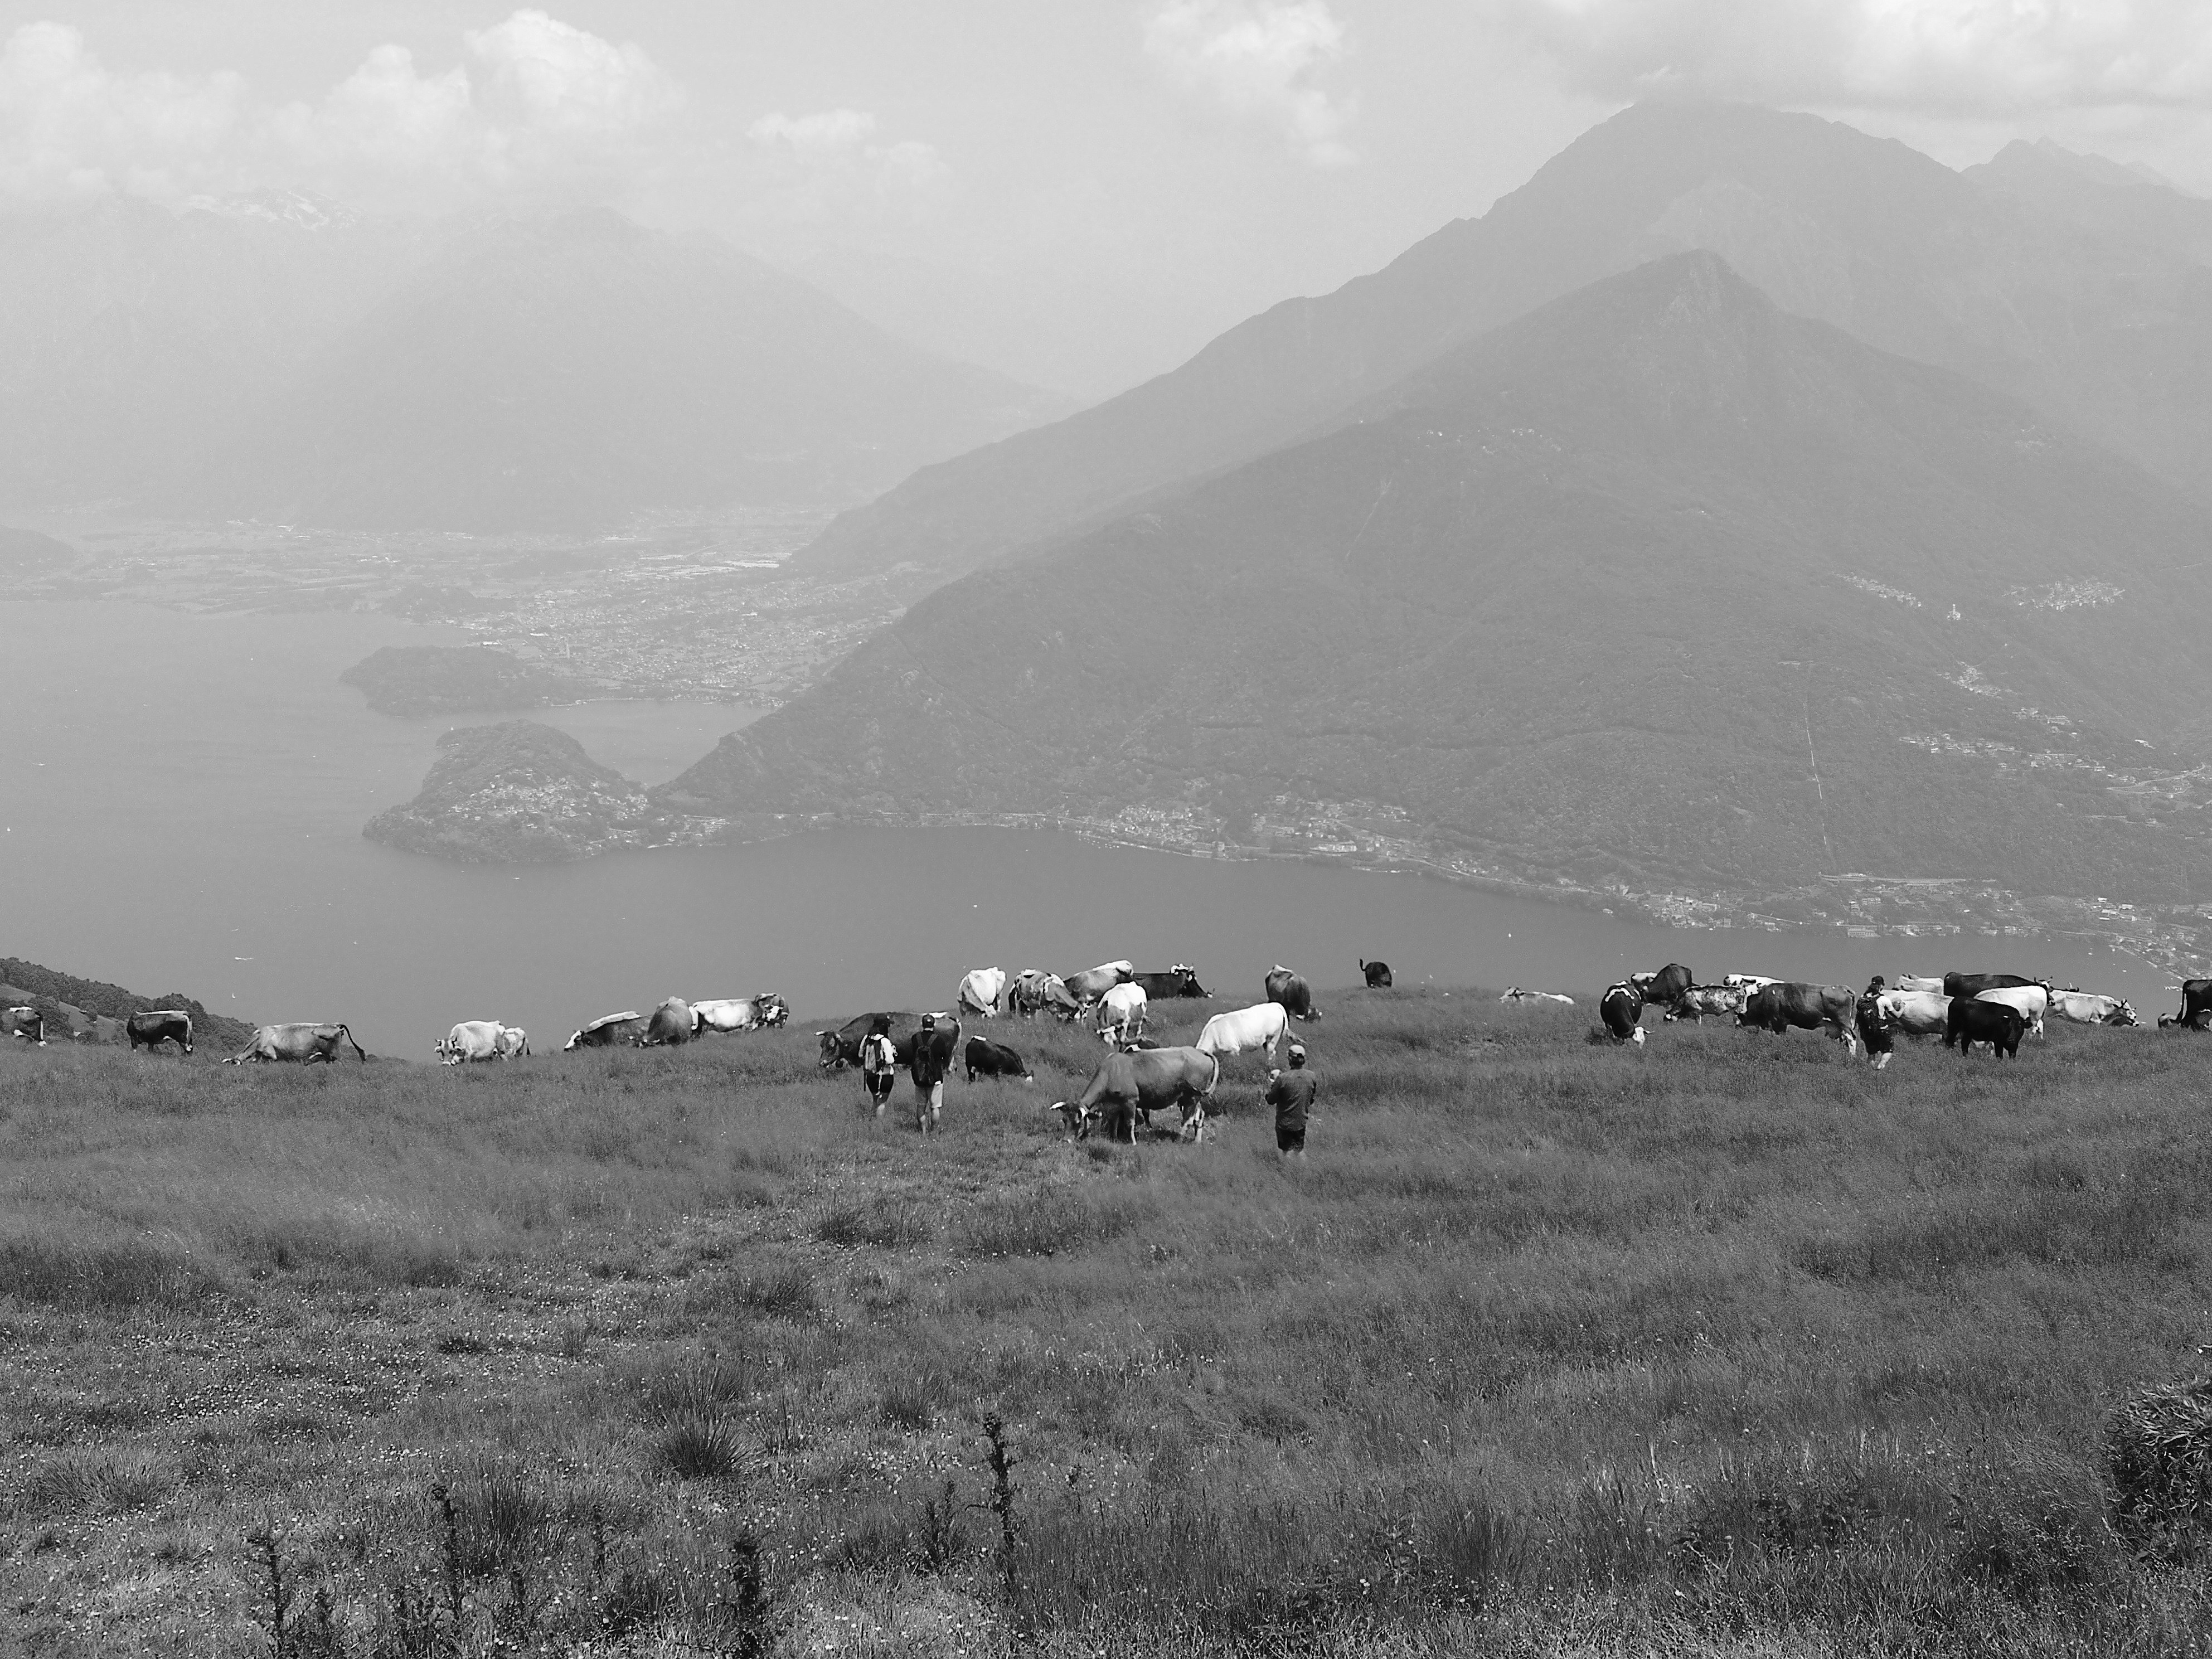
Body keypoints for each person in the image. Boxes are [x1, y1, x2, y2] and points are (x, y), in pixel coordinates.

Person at [1265, 1041, 1317, 1162]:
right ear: (1304, 1059)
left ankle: (1286, 1174)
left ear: (1290, 1059)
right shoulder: (1312, 1076)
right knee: (1299, 1151)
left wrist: (1272, 1087)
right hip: (1301, 1122)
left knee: (1285, 1152)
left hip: (1285, 1123)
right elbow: (1311, 1099)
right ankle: (1305, 1171)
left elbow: (1270, 1101)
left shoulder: (1282, 1079)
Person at [910, 1012, 948, 1133]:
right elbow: (945, 1057)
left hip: (919, 1077)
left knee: (921, 1106)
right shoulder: (939, 1040)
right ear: (934, 1025)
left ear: (922, 1024)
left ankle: (924, 1132)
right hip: (936, 1077)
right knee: (935, 1107)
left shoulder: (915, 1038)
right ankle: (934, 1132)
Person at [859, 1013, 898, 1117]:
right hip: (885, 1076)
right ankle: (879, 1126)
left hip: (870, 1076)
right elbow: (890, 1060)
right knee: (882, 1103)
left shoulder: (866, 1038)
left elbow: (860, 1055)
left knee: (875, 1101)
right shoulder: (885, 1041)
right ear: (884, 1026)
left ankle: (872, 1121)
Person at [1857, 976, 1895, 1071]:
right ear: (1882, 986)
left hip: (1866, 1032)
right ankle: (1880, 1067)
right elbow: (1896, 1015)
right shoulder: (1883, 999)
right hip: (1881, 1029)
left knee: (1871, 1054)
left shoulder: (1863, 998)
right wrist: (1902, 1008)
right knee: (1888, 1051)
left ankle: (1872, 1071)